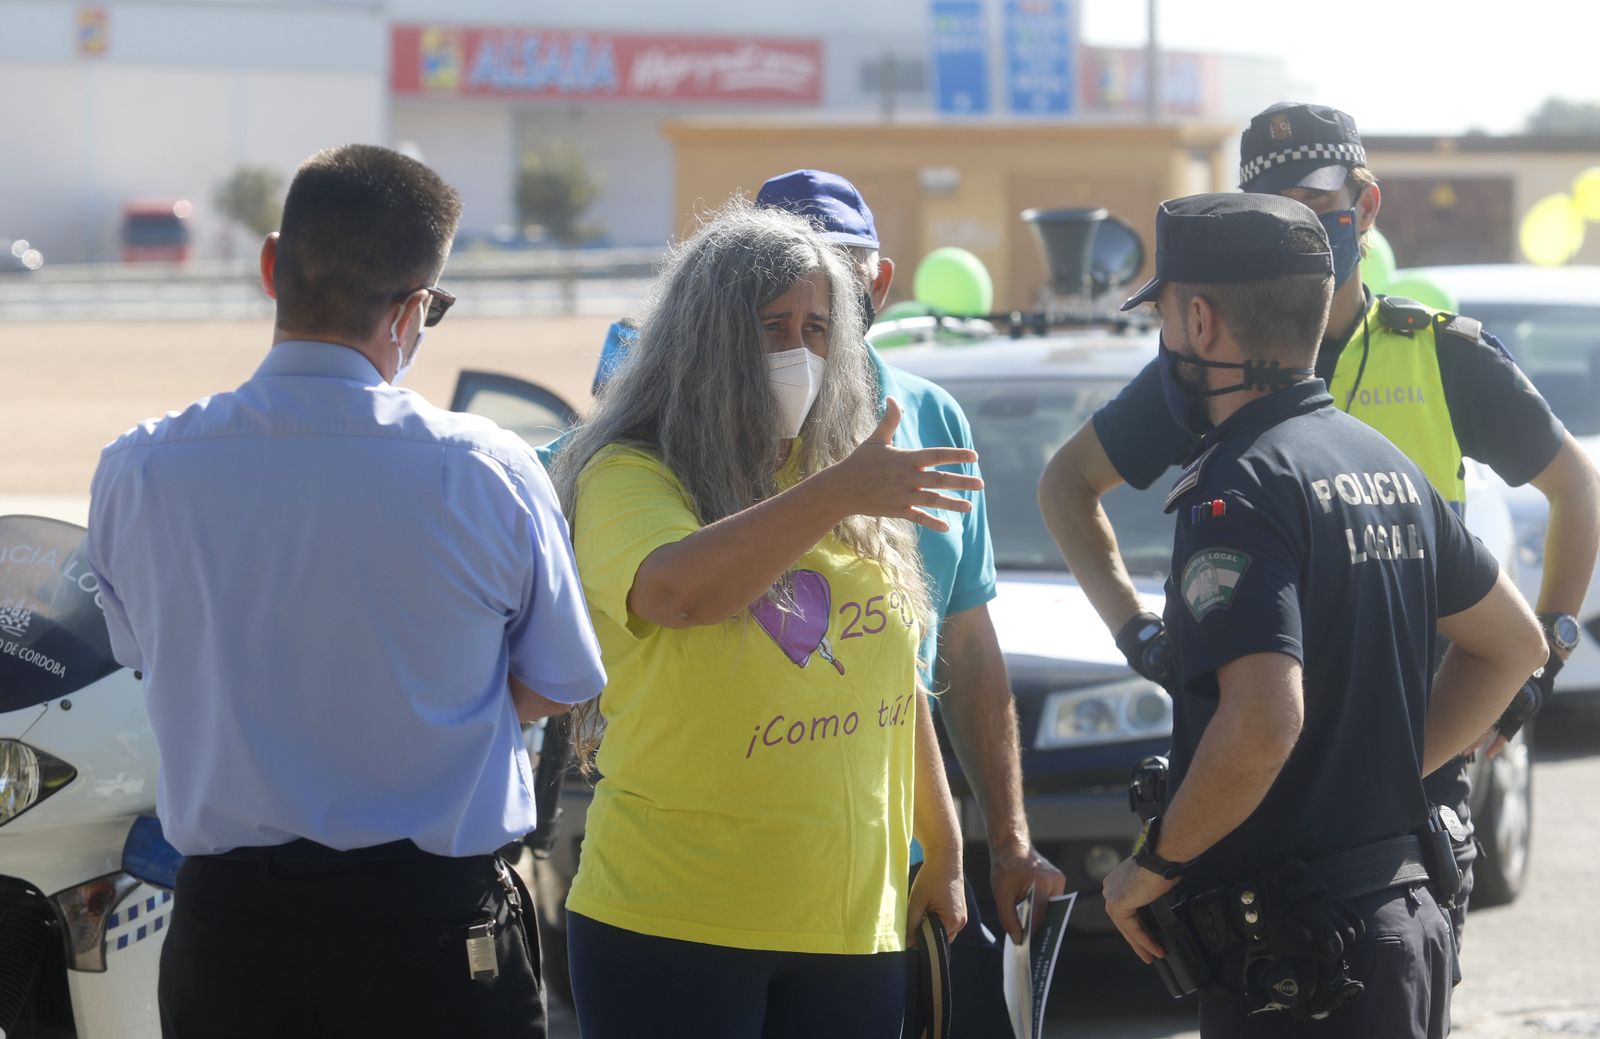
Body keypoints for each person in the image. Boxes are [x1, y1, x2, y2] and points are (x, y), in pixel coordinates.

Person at [1039, 102, 1600, 937]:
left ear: (1365, 208)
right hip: (1255, 751)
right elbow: (1066, 485)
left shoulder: (1441, 353)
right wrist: (1138, 635)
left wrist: (1546, 654)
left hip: (1410, 738)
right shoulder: (1206, 363)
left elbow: (1576, 487)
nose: (1296, 228)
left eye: (1313, 204)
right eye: (1276, 209)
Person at [84, 144, 607, 1038]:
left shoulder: (139, 467)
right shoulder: (484, 468)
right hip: (433, 940)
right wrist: (439, 709)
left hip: (232, 941)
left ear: (270, 266)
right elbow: (560, 681)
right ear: (411, 309)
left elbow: (149, 652)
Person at [1094, 192, 1547, 1037]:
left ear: (1198, 320)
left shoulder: (1238, 486)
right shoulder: (1384, 462)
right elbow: (1515, 645)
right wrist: (1378, 772)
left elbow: (1265, 722)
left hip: (1300, 960)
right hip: (1397, 925)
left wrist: (1152, 868)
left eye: (1161, 317)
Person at [551, 200, 974, 1038]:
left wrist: (946, 840)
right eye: (771, 326)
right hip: (674, 918)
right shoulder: (632, 472)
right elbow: (676, 593)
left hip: (850, 923)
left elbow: (893, 679)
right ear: (705, 338)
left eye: (818, 329)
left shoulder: (843, 475)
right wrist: (839, 493)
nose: (799, 352)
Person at [755, 171, 1067, 961]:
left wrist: (1008, 836)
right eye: (777, 281)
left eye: (833, 268)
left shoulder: (933, 418)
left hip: (907, 861)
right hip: (745, 862)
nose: (809, 296)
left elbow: (959, 641)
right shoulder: (701, 429)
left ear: (878, 283)